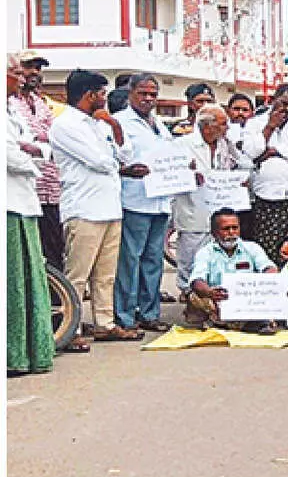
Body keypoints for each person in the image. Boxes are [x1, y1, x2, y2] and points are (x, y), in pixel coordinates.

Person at [50, 69, 135, 343]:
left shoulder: (100, 123)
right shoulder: (65, 126)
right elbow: (100, 162)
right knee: (77, 274)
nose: (104, 98)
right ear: (89, 95)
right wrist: (116, 160)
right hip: (84, 209)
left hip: (111, 207)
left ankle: (105, 323)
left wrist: (115, 126)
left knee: (105, 275)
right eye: (101, 93)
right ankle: (70, 328)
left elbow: (126, 155)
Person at [112, 73, 176, 334]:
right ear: (130, 94)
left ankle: (149, 313)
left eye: (153, 94)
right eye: (143, 93)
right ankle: (125, 316)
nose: (148, 99)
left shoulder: (158, 124)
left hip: (160, 202)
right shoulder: (119, 122)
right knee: (130, 260)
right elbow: (111, 158)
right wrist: (126, 170)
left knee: (153, 260)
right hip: (135, 200)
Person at [7, 54, 55, 372]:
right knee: (12, 283)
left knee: (28, 280)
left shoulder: (15, 110)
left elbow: (40, 146)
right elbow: (13, 155)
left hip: (25, 202)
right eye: (14, 72)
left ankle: (27, 354)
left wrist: (35, 152)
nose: (21, 77)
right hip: (8, 204)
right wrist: (34, 156)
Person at [172, 104, 248, 297]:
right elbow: (172, 176)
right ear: (207, 127)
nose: (227, 128)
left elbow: (243, 165)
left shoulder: (225, 144)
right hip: (193, 210)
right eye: (223, 124)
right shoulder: (183, 144)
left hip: (219, 209)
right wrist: (189, 175)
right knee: (190, 258)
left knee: (217, 258)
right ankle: (190, 297)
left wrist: (239, 178)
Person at [240, 84, 288, 266]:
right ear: (273, 100)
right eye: (283, 103)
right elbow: (252, 151)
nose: (287, 109)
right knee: (266, 250)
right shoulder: (255, 123)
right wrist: (270, 127)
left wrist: (275, 151)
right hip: (267, 196)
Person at [185, 208, 288, 334]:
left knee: (284, 290)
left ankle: (241, 322)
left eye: (235, 228)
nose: (231, 232)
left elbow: (269, 268)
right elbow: (197, 280)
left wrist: (271, 281)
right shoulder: (205, 253)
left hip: (249, 301)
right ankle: (234, 322)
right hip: (218, 299)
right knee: (195, 296)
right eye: (226, 229)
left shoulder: (252, 248)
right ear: (214, 232)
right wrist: (210, 292)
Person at [9, 51, 64, 271]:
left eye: (38, 68)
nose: (33, 73)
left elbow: (53, 137)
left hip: (51, 189)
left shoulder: (40, 103)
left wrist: (39, 143)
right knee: (29, 254)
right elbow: (21, 143)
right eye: (28, 67)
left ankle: (57, 304)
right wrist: (40, 143)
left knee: (53, 250)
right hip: (25, 188)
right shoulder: (11, 104)